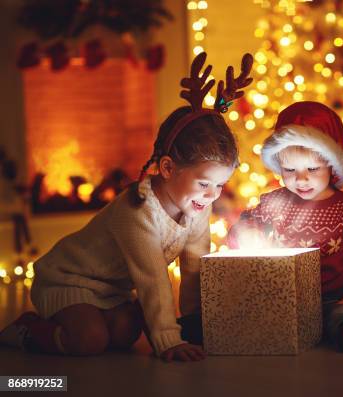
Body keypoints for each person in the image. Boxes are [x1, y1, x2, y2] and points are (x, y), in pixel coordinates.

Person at [0, 51, 252, 362]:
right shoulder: (138, 210)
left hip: (114, 291)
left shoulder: (196, 206)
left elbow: (194, 266)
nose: (213, 195)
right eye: (204, 184)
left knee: (123, 335)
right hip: (67, 279)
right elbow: (152, 277)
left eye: (220, 185)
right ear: (168, 168)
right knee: (90, 340)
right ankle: (28, 330)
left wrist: (193, 327)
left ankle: (103, 318)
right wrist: (168, 340)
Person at [228, 101, 343, 353]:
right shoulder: (273, 203)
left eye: (312, 169)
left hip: (334, 299)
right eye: (289, 170)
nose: (301, 179)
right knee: (245, 312)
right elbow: (243, 230)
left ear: (331, 166)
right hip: (282, 299)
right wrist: (243, 233)